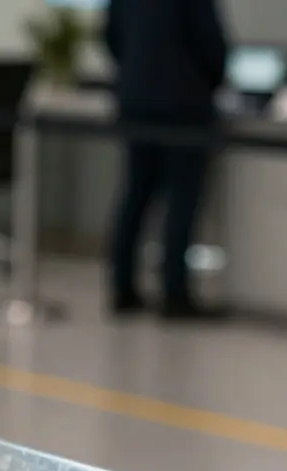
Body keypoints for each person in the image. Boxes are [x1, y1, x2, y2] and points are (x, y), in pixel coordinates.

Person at [104, 0, 229, 318]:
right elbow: (211, 46)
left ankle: (123, 288)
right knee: (182, 201)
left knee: (136, 194)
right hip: (183, 106)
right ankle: (175, 293)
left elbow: (110, 37)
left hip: (136, 100)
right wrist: (204, 83)